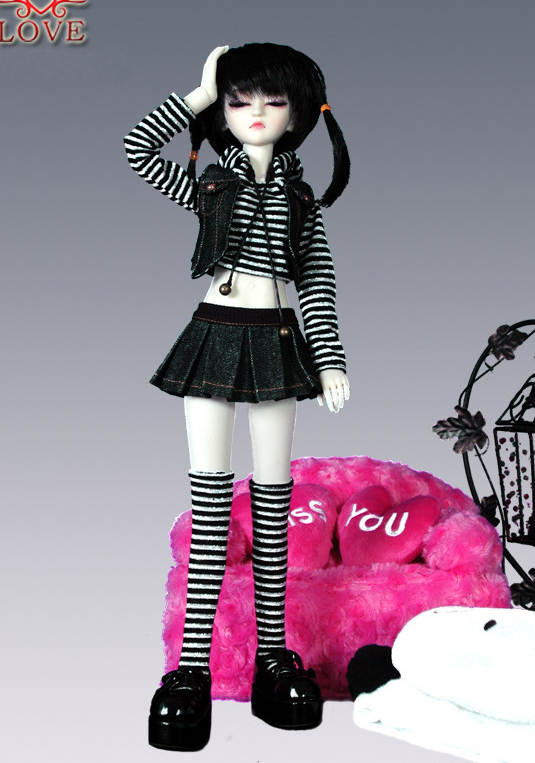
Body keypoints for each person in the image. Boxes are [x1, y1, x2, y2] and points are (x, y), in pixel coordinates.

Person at [123, 43, 350, 751]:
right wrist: (197, 92)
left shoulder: (303, 201)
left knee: (275, 508)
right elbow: (138, 150)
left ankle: (272, 658)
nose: (255, 113)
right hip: (215, 334)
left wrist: (330, 360)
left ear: (298, 114)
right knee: (211, 506)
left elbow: (317, 281)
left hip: (277, 340)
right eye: (238, 100)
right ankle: (192, 668)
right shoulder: (211, 186)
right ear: (222, 111)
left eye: (273, 101)